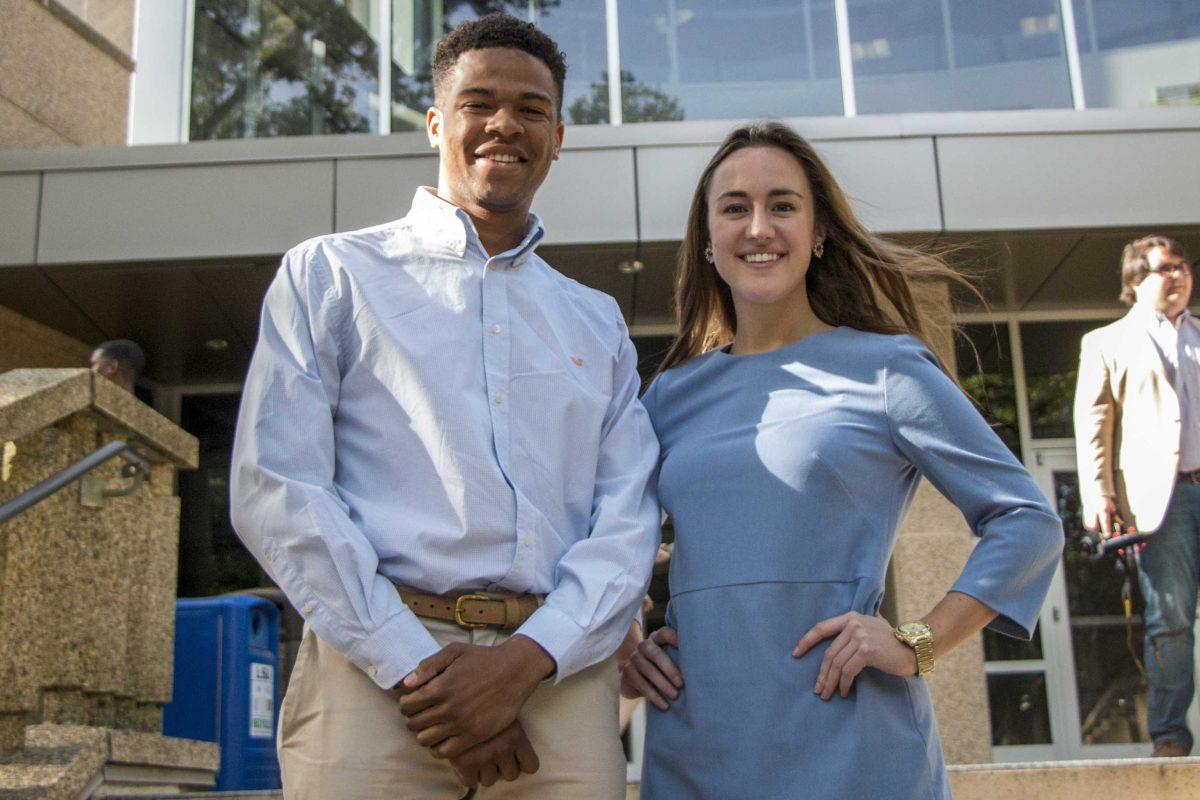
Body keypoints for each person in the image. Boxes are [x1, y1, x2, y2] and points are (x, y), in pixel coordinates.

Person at [230, 14, 659, 800]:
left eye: (532, 109)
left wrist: (524, 663)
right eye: (479, 102)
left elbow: (627, 517)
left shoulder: (595, 320)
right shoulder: (329, 276)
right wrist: (420, 669)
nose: (505, 124)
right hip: (374, 676)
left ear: (558, 136)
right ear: (436, 121)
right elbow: (277, 489)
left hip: (558, 685)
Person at [618, 121, 1063, 799]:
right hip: (696, 744)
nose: (759, 226)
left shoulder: (887, 368)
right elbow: (607, 537)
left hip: (853, 741)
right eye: (735, 207)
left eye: (783, 205)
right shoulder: (672, 395)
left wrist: (918, 641)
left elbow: (1027, 520)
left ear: (819, 231)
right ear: (707, 239)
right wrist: (621, 640)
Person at [1074, 235, 1198, 758]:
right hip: (1164, 503)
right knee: (1170, 618)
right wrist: (1099, 493)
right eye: (1163, 269)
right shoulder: (1107, 342)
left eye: (1182, 266)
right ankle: (1169, 735)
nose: (1177, 275)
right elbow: (1094, 423)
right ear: (1134, 283)